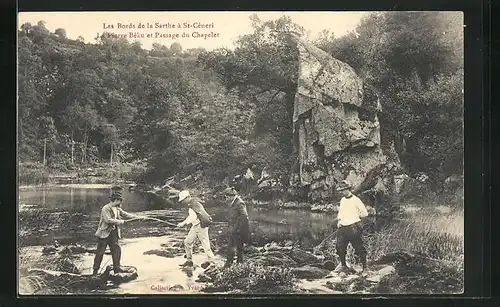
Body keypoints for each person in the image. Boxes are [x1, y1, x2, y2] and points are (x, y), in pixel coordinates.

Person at [92, 186, 142, 275]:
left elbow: (125, 214)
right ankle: (95, 271)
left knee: (116, 250)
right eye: (119, 201)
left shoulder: (117, 208)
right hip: (104, 233)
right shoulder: (105, 208)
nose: (120, 203)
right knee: (100, 252)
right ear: (115, 200)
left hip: (113, 233)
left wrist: (137, 217)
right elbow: (108, 220)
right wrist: (119, 222)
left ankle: (117, 268)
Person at [335, 180, 369, 274]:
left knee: (359, 248)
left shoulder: (356, 200)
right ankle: (343, 266)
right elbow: (341, 213)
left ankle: (365, 268)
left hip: (353, 227)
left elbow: (365, 213)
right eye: (341, 190)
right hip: (342, 228)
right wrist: (339, 221)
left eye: (343, 190)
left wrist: (355, 216)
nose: (342, 192)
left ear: (348, 189)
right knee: (339, 247)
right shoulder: (342, 200)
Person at [176, 190, 215, 268]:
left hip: (201, 226)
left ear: (188, 197)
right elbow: (193, 216)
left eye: (183, 200)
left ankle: (212, 263)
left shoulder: (193, 205)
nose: (183, 202)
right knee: (187, 242)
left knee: (206, 246)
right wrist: (184, 222)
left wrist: (183, 223)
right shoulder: (194, 203)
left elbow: (192, 217)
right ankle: (189, 261)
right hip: (196, 226)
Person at [222, 187, 251, 268]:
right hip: (233, 229)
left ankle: (237, 266)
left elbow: (244, 216)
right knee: (232, 247)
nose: (226, 199)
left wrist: (237, 228)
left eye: (227, 197)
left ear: (231, 196)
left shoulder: (239, 203)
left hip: (239, 231)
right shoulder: (234, 202)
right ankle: (230, 265)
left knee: (239, 249)